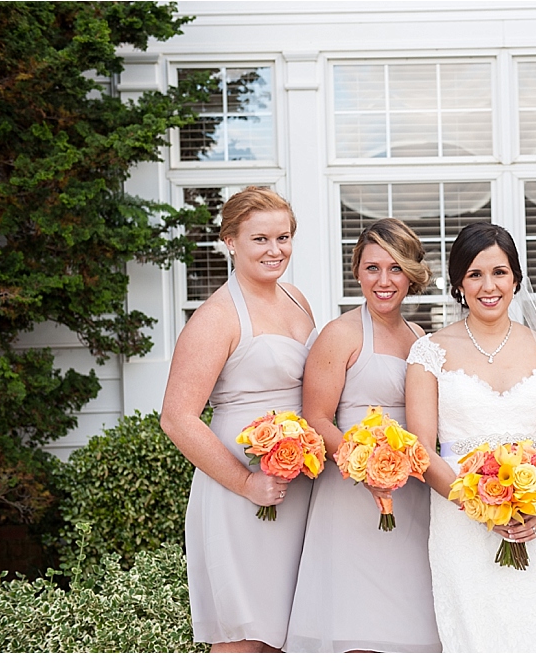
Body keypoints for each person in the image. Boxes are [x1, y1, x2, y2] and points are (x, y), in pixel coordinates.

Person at [160, 187, 317, 652]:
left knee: (288, 630)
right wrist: (246, 484)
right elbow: (177, 418)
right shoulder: (216, 317)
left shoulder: (296, 298)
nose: (275, 250)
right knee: (246, 633)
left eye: (283, 237)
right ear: (230, 240)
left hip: (299, 481)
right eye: (260, 239)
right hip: (242, 487)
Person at [405, 222, 536, 653]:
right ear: (459, 282)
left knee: (535, 634)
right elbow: (421, 449)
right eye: (475, 274)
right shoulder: (429, 352)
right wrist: (481, 506)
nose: (488, 286)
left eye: (499, 272)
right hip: (460, 520)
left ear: (516, 278)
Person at [285, 219, 441, 653]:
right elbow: (316, 417)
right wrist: (364, 466)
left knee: (409, 622)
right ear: (356, 271)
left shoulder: (420, 338)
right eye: (372, 268)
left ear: (411, 273)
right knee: (357, 622)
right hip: (351, 494)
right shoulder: (341, 334)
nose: (384, 281)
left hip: (411, 494)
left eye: (395, 268)